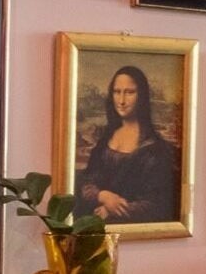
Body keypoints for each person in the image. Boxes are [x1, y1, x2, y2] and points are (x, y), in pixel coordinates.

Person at [78, 64, 185, 226]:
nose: (121, 101)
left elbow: (157, 205)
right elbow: (87, 181)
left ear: (141, 96)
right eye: (117, 92)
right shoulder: (106, 138)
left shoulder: (155, 149)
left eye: (129, 92)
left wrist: (113, 209)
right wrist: (103, 196)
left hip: (133, 232)